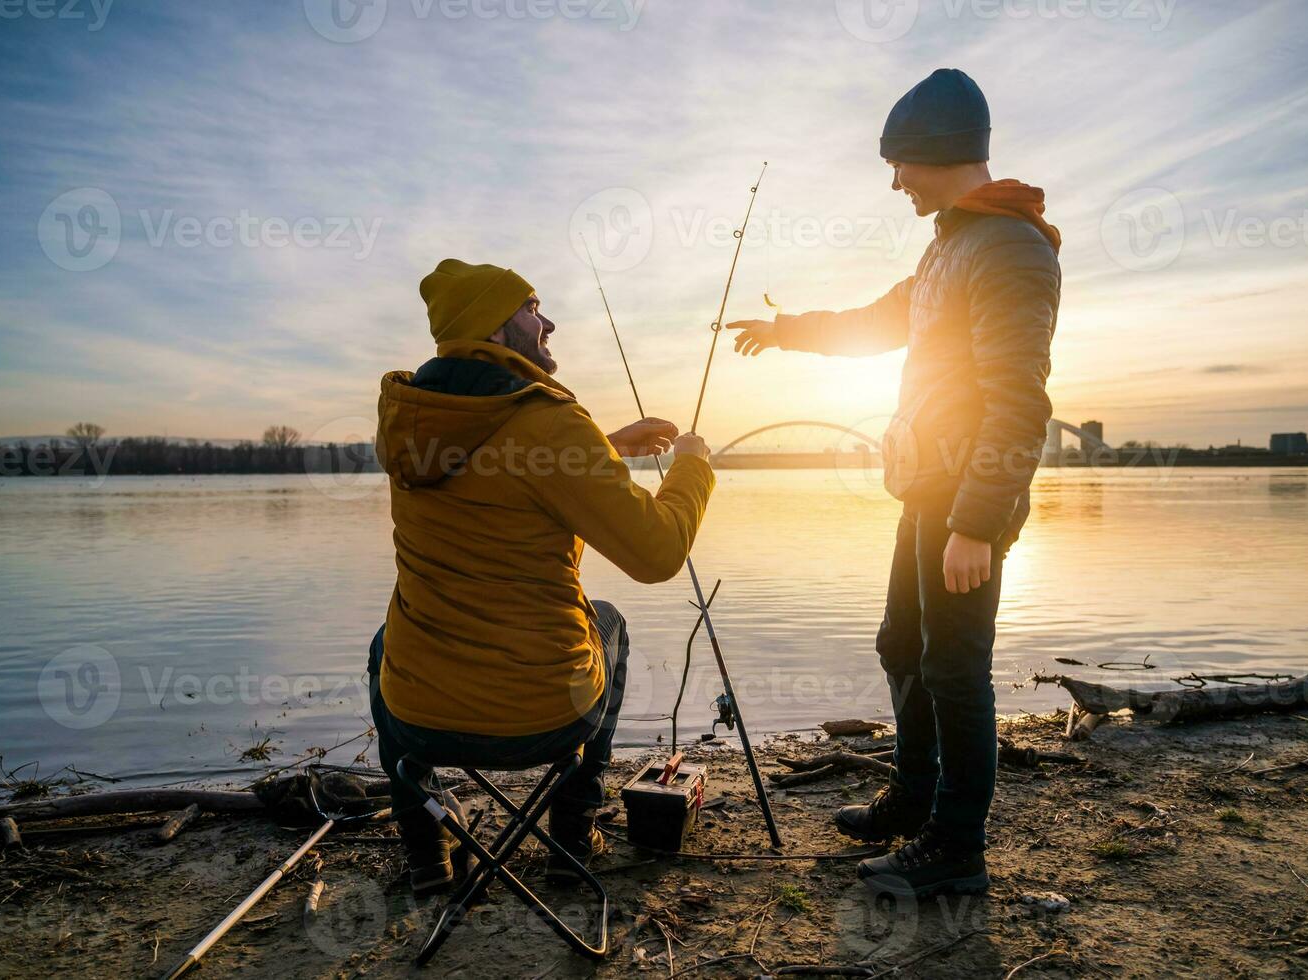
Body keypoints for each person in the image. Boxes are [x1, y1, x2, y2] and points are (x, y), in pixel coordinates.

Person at [727, 69, 1061, 897]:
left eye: (899, 162)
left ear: (935, 151)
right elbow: (880, 320)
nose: (893, 180)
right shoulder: (952, 243)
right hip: (927, 489)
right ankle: (911, 802)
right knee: (899, 646)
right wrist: (784, 330)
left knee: (955, 667)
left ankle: (955, 849)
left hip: (968, 500)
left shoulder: (1008, 247)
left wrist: (977, 521)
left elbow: (1018, 401)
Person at [369, 258, 715, 894]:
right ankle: (570, 840)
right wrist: (693, 466)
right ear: (495, 330)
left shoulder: (412, 426)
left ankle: (426, 851)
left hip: (420, 717)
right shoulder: (551, 420)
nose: (547, 320)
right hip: (543, 715)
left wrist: (607, 448)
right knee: (608, 620)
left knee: (385, 647)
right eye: (532, 306)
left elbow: (503, 475)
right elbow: (657, 552)